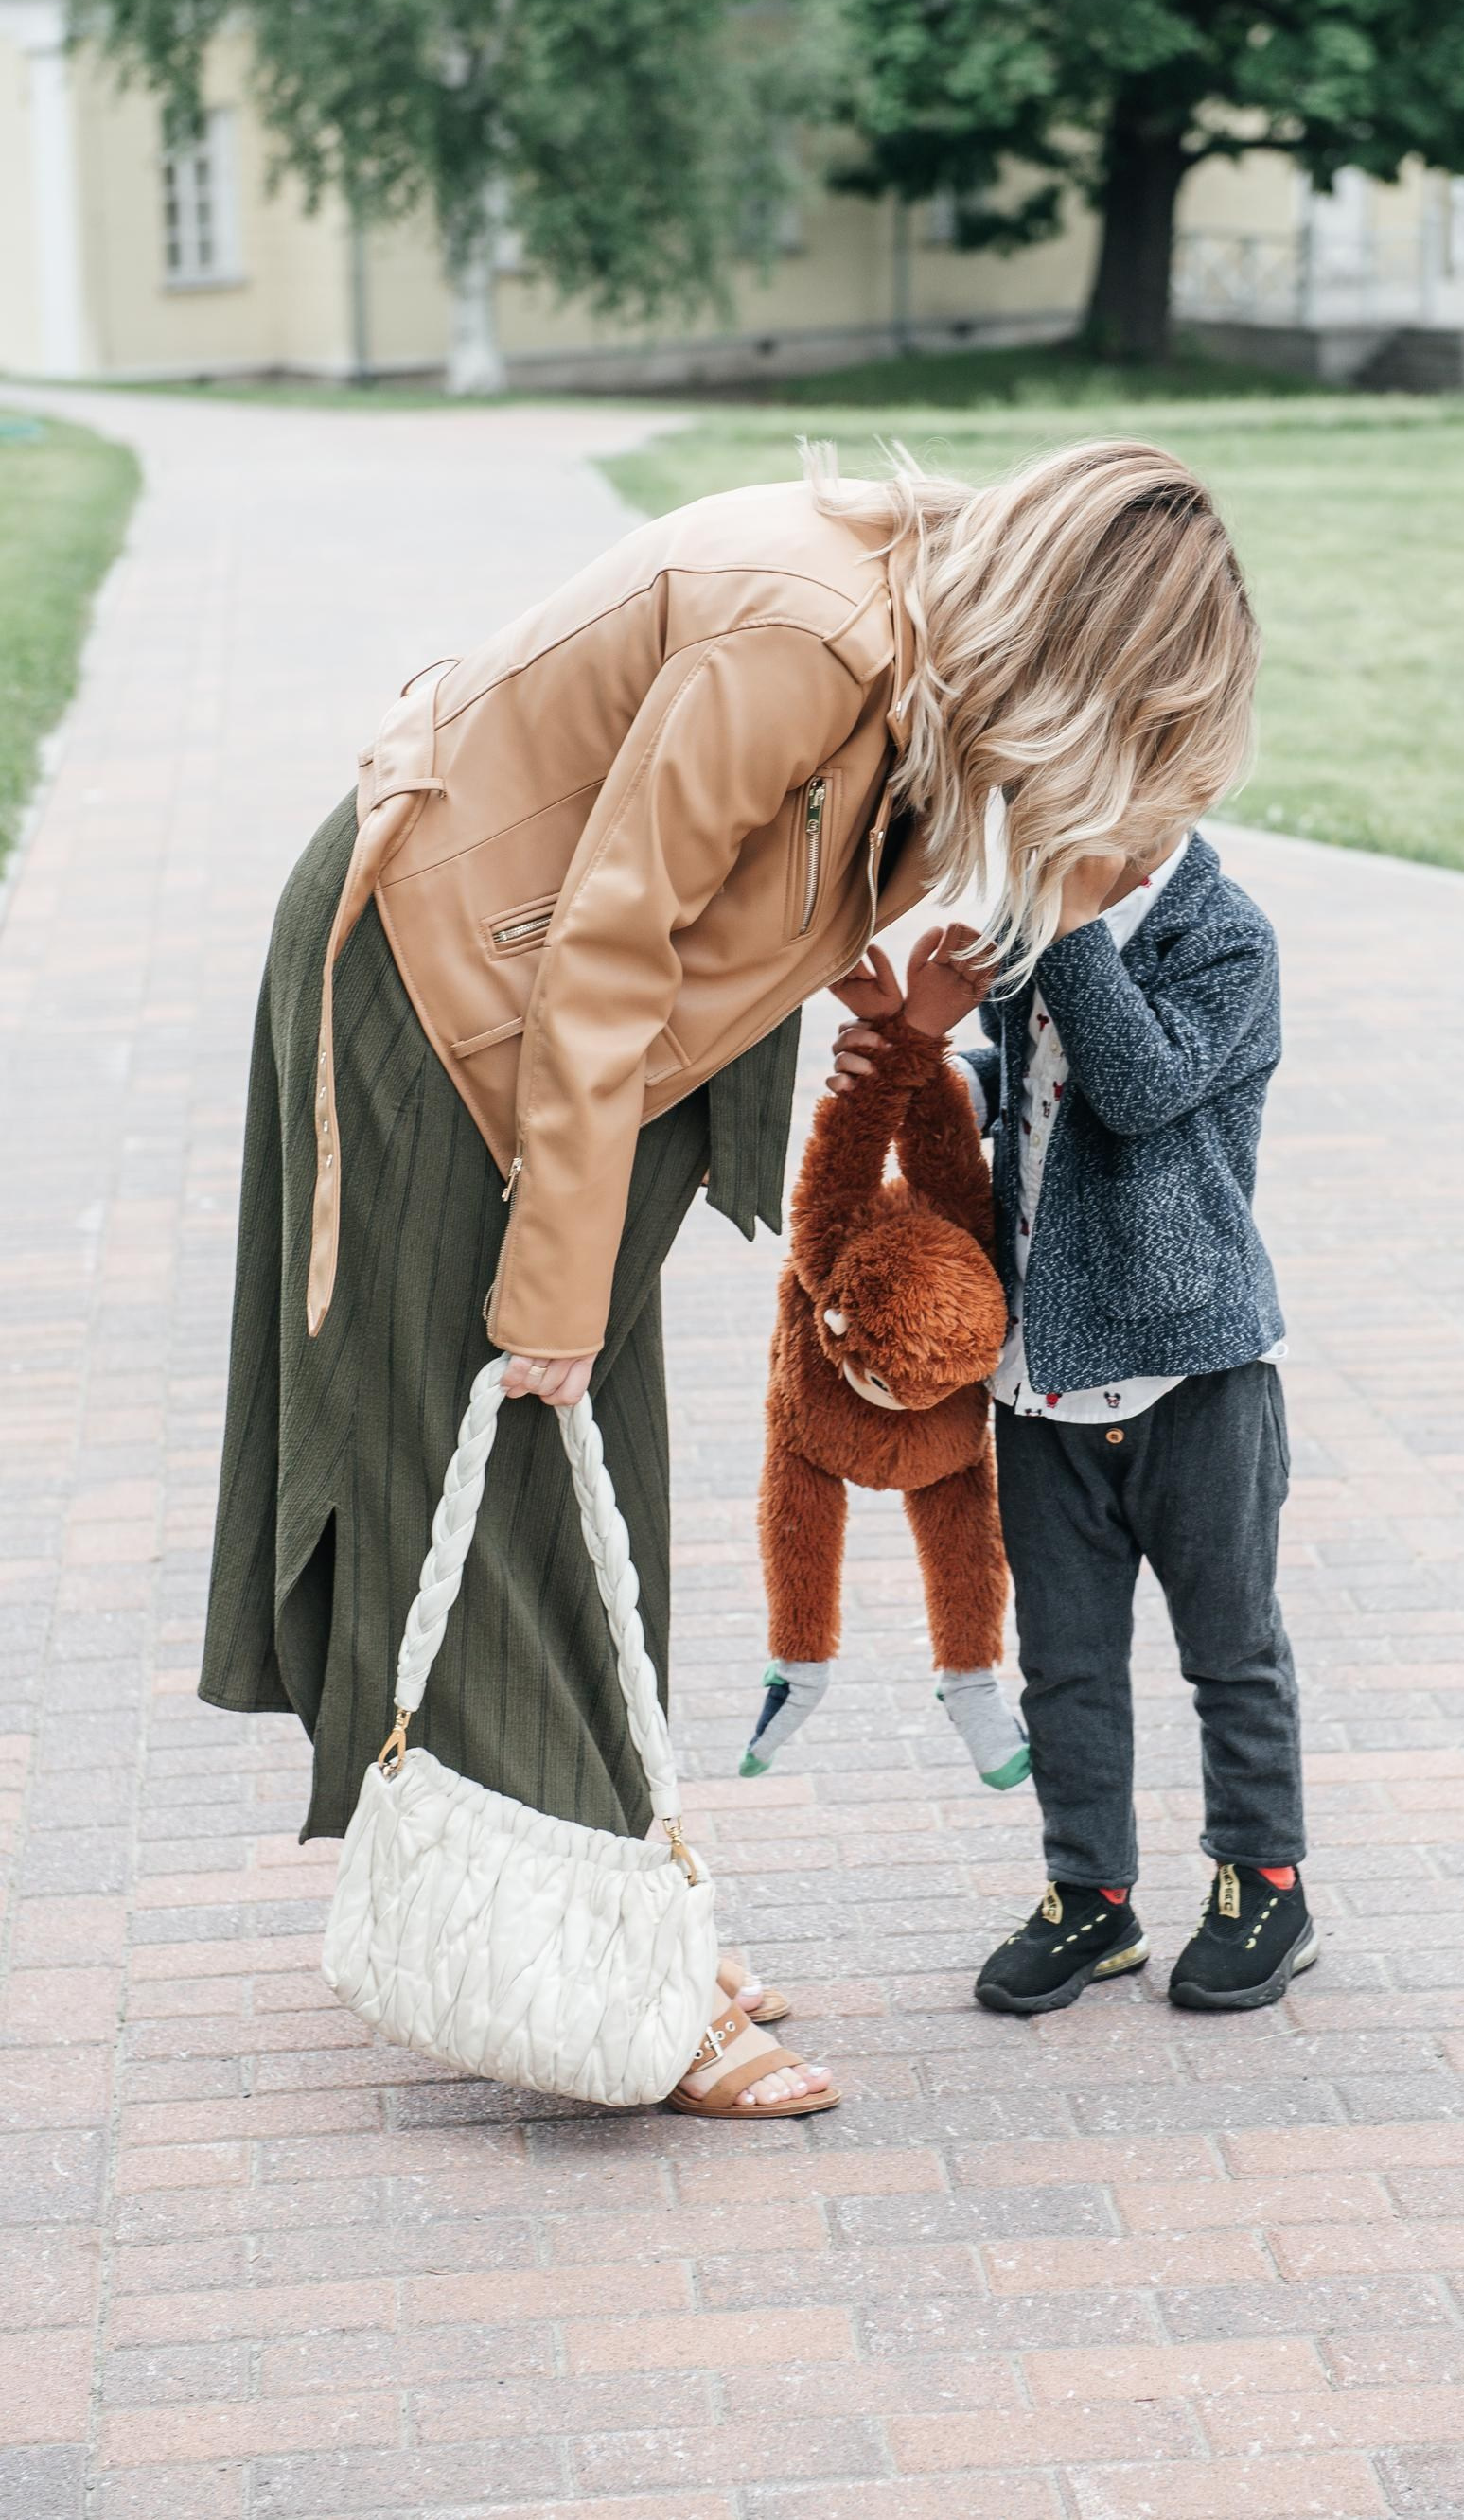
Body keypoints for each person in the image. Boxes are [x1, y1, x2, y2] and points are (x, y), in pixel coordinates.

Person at [201, 435, 1260, 2110]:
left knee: (597, 1468)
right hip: (453, 1000)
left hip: (570, 1041)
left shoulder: (931, 638)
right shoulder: (813, 632)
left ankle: (632, 1912)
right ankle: (606, 1978)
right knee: (505, 1465)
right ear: (1078, 660)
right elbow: (609, 949)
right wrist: (550, 1289)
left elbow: (745, 881)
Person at [828, 827, 1312, 2018]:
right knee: (1066, 1660)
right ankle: (1088, 1895)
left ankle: (1265, 1881)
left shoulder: (1223, 936)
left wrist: (1075, 925)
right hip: (1039, 1379)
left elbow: (1137, 1090)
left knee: (1230, 1648)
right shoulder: (1038, 924)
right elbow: (1022, 1087)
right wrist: (916, 1069)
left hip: (1190, 1370)